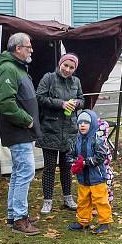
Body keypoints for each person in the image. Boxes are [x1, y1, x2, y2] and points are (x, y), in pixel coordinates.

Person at [0, 32, 41, 235]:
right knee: (26, 172)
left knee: (18, 173)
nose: (31, 50)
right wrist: (27, 119)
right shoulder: (8, 68)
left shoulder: (18, 68)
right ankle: (20, 218)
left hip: (23, 130)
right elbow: (5, 103)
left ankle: (14, 215)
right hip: (18, 130)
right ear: (17, 48)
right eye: (28, 46)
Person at [36, 53, 84, 214]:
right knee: (49, 167)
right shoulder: (48, 78)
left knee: (66, 166)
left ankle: (68, 197)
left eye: (71, 67)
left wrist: (76, 103)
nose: (68, 70)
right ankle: (47, 201)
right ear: (60, 64)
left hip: (69, 130)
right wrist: (61, 104)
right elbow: (39, 97)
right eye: (66, 66)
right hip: (50, 129)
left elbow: (82, 99)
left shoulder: (76, 81)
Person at [67, 110, 112, 234]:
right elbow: (69, 155)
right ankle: (83, 222)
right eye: (80, 122)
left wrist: (85, 162)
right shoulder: (75, 141)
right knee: (83, 201)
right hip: (83, 178)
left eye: (86, 123)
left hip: (97, 177)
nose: (82, 125)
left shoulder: (98, 140)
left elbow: (101, 157)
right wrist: (74, 162)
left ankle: (105, 222)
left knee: (101, 201)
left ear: (92, 125)